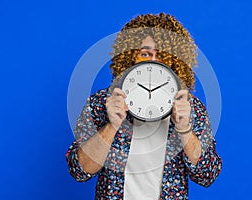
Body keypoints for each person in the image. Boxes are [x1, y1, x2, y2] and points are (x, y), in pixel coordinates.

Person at [66, 13, 222, 199]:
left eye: (163, 56)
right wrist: (112, 125)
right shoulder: (102, 103)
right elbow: (80, 171)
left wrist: (184, 128)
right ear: (129, 56)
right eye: (145, 54)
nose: (153, 62)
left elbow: (207, 175)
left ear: (176, 62)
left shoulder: (191, 108)